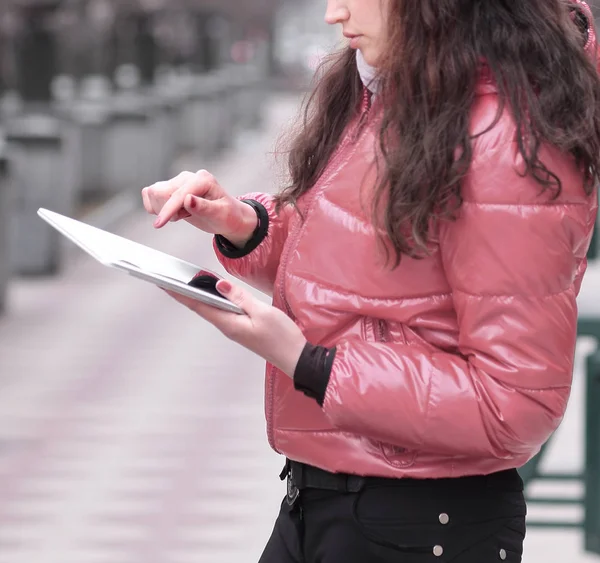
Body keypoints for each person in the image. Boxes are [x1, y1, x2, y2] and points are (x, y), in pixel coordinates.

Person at [141, 0, 600, 561]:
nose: (335, 13)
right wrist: (244, 225)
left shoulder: (507, 138)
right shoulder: (399, 92)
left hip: (423, 525)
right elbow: (366, 262)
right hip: (326, 502)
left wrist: (309, 361)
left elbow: (515, 404)